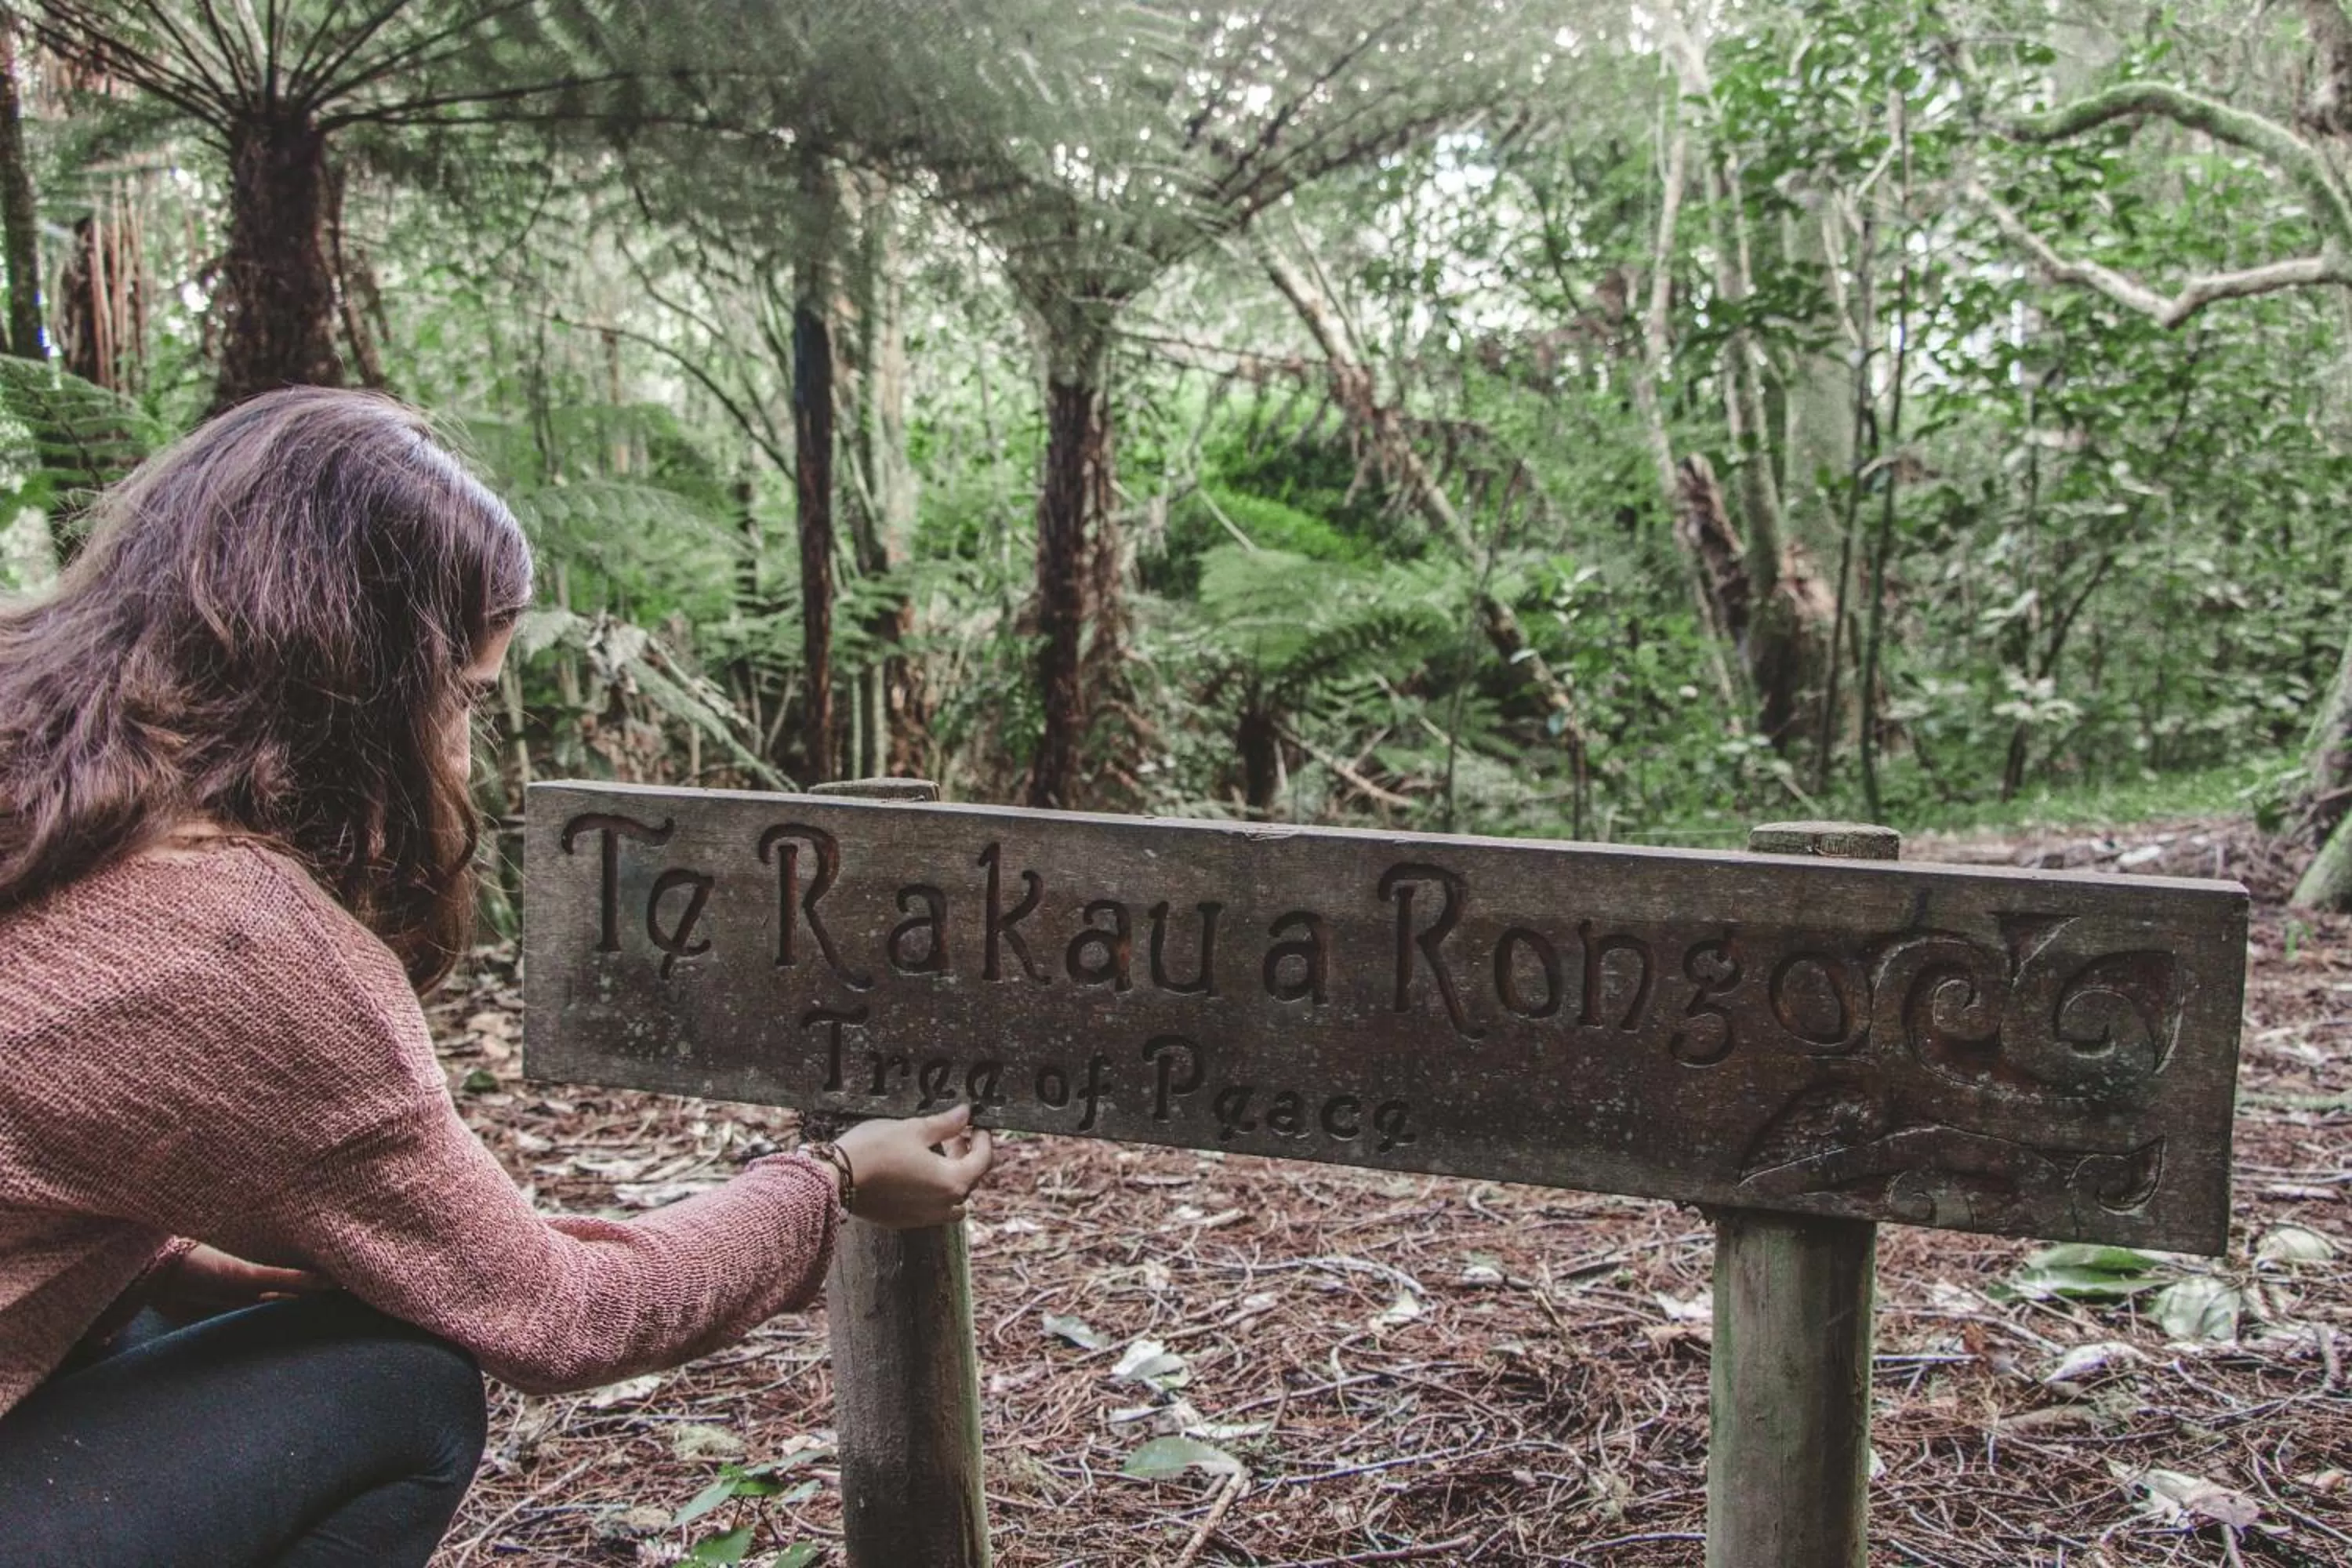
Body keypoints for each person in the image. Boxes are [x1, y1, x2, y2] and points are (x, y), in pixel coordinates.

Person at [0, 387, 993, 1567]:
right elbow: (562, 1312)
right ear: (357, 682)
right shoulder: (241, 943)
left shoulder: (48, 780)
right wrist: (829, 1180)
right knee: (406, 1383)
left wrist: (159, 1262)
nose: (468, 748)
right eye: (464, 698)